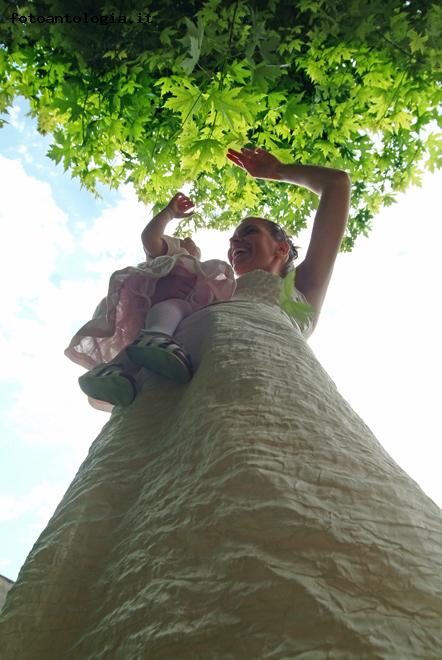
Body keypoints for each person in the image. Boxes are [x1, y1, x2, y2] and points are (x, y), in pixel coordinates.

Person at [1, 147, 441, 659]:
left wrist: (279, 173)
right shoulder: (206, 293)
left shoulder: (297, 293)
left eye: (249, 234)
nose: (235, 245)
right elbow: (154, 251)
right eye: (232, 239)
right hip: (156, 403)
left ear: (283, 248)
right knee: (121, 508)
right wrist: (167, 217)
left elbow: (338, 186)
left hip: (265, 383)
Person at [64, 192, 236, 411]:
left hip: (151, 321)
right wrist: (169, 213)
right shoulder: (174, 256)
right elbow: (149, 238)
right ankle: (158, 336)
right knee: (175, 307)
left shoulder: (195, 270)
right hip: (159, 307)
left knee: (139, 345)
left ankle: (113, 372)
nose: (194, 250)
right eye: (191, 248)